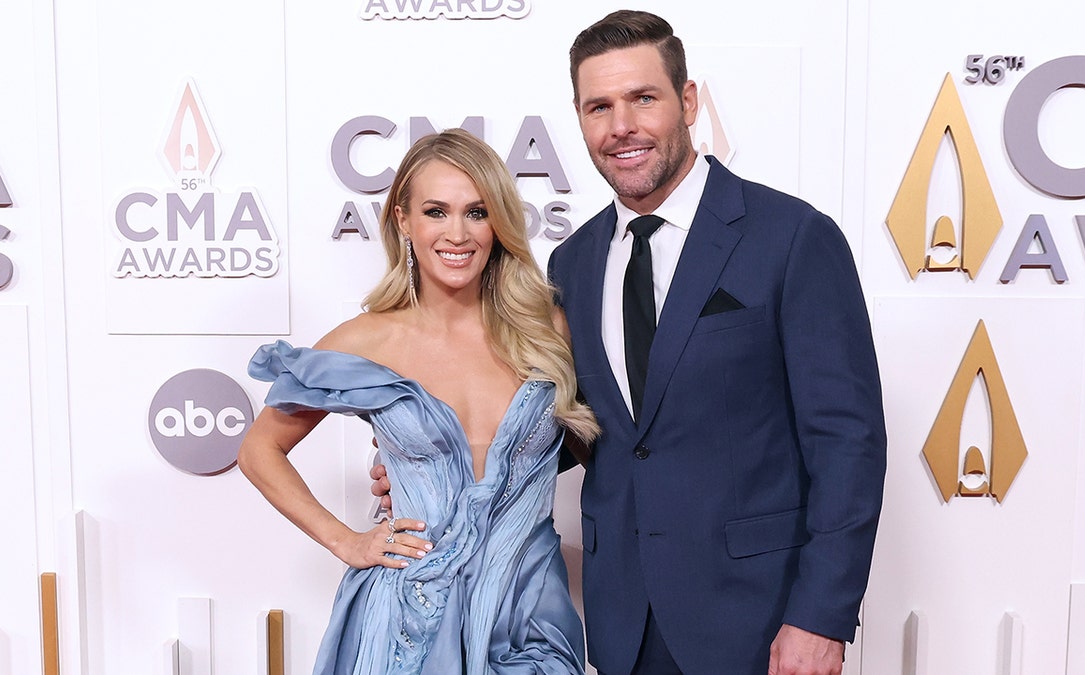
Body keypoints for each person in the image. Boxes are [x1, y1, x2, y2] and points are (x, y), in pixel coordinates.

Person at [376, 10, 887, 675]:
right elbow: (584, 428)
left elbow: (848, 441)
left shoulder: (791, 238)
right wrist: (443, 458)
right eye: (599, 106)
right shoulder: (574, 262)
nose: (622, 126)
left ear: (688, 101)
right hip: (622, 620)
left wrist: (819, 615)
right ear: (581, 118)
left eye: (643, 98)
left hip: (758, 619)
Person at [238, 128, 599, 674]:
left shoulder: (547, 329)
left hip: (529, 613)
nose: (458, 233)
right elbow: (259, 449)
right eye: (436, 211)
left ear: (499, 222)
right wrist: (347, 541)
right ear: (403, 221)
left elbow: (608, 442)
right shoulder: (367, 341)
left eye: (477, 212)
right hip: (408, 617)